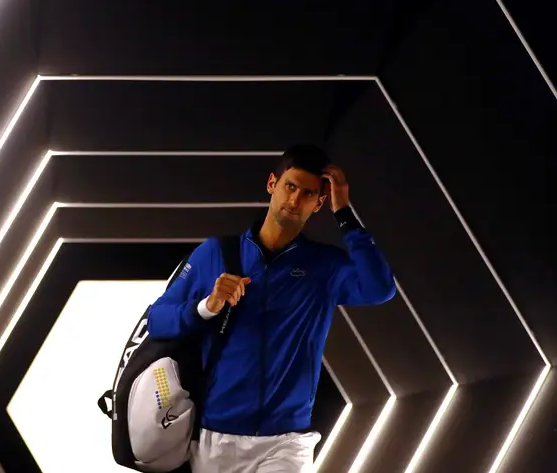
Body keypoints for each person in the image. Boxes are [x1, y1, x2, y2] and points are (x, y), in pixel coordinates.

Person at [146, 144, 396, 472]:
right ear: (271, 184)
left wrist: (345, 213)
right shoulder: (215, 253)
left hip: (287, 442)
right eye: (290, 187)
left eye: (308, 194)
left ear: (319, 203)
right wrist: (207, 306)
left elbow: (380, 288)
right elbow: (157, 320)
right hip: (215, 440)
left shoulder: (324, 266)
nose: (294, 200)